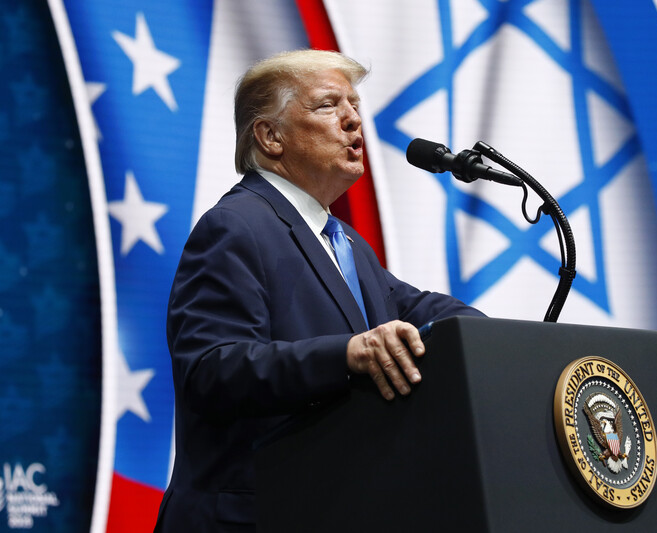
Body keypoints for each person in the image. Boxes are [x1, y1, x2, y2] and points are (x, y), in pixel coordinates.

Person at [154, 49, 484, 532]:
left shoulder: (344, 242)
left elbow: (422, 309)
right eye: (329, 105)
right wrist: (347, 354)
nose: (354, 120)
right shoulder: (234, 227)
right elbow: (211, 368)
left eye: (354, 104)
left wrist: (497, 341)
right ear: (270, 137)